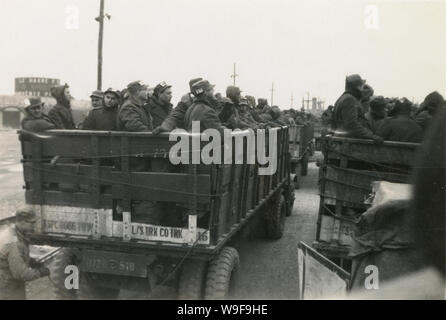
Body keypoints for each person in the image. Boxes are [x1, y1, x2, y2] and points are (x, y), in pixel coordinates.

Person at [0, 208, 50, 299]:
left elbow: (12, 258)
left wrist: (30, 261)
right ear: (22, 222)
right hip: (8, 288)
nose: (34, 226)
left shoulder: (12, 231)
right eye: (32, 223)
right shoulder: (13, 243)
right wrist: (43, 272)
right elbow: (21, 274)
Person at [332, 74, 383, 143]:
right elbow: (351, 124)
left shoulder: (344, 98)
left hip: (344, 141)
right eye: (362, 85)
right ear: (358, 87)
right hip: (348, 143)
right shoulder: (350, 99)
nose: (363, 88)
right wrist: (372, 136)